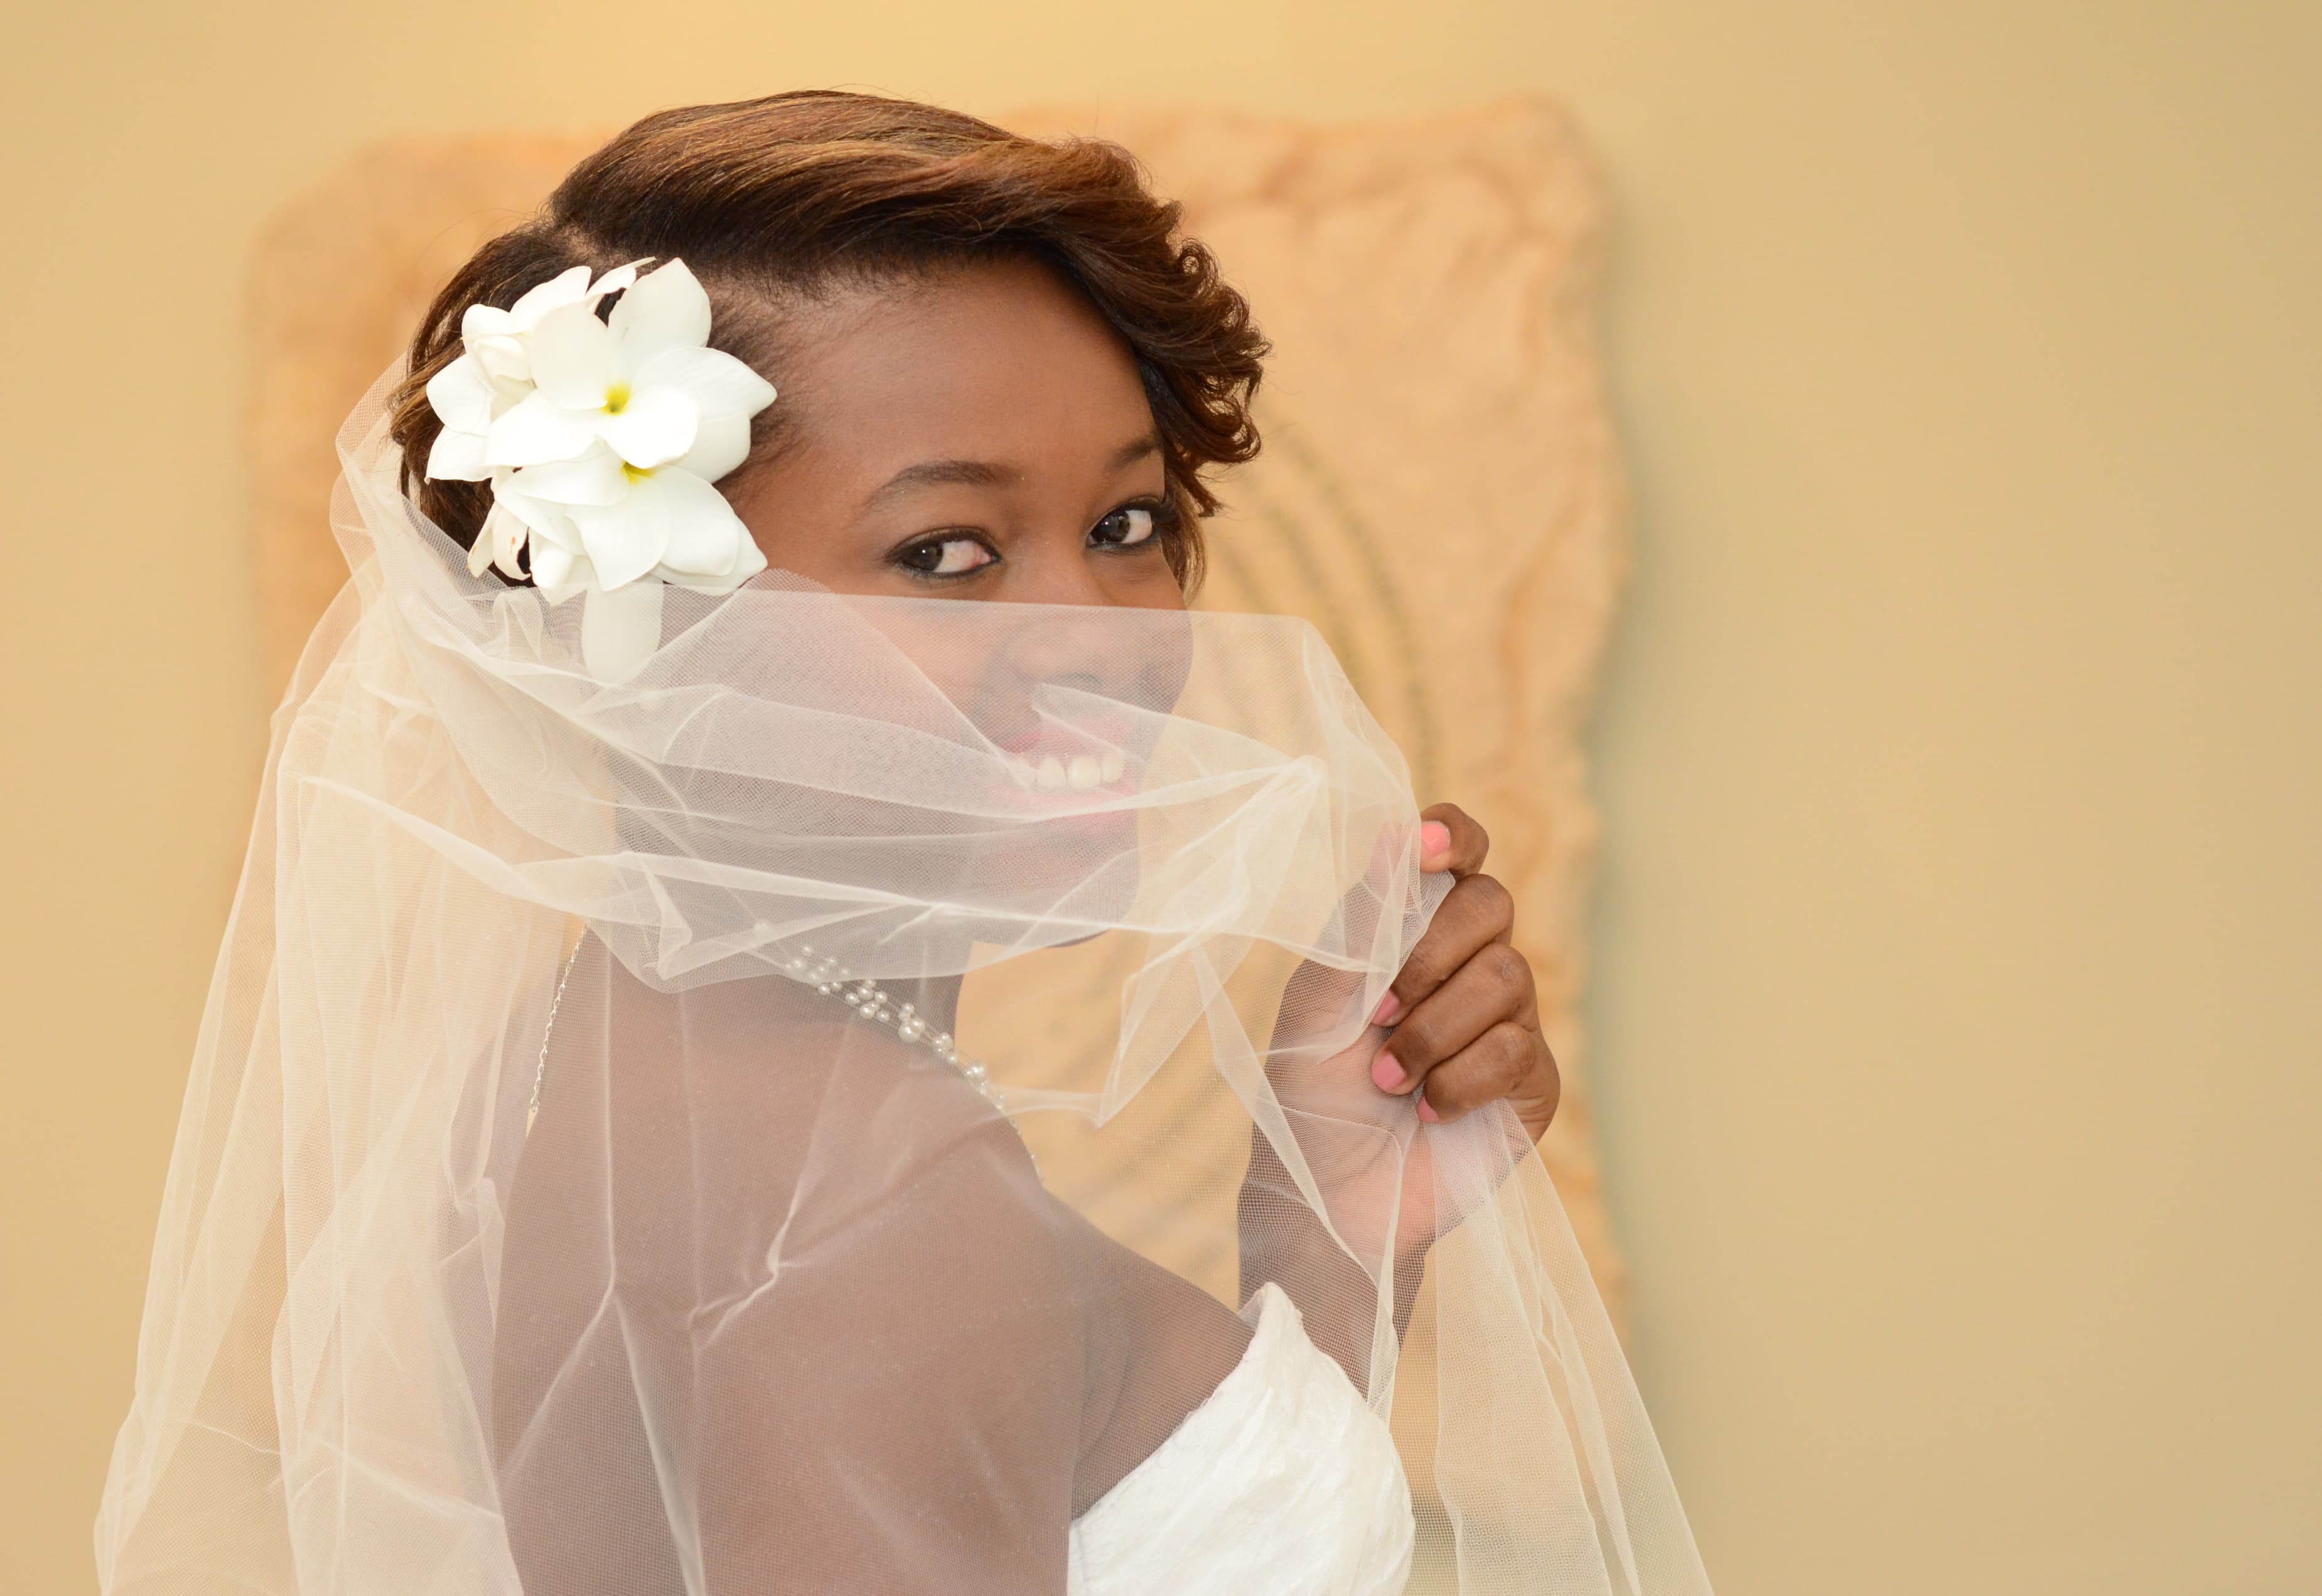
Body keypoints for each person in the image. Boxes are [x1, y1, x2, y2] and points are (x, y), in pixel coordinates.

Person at [97, 91, 1711, 1595]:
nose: (1105, 639)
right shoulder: (879, 1201)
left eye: (1128, 525)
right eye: (946, 551)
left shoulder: (581, 1065)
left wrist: (1330, 1246)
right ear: (644, 620)